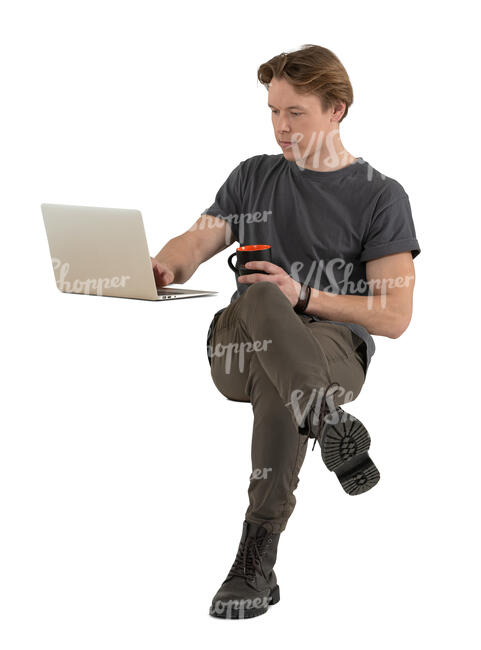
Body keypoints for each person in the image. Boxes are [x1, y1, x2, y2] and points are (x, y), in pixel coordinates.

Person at [151, 44, 421, 620]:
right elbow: (194, 243)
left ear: (337, 110)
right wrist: (165, 266)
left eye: (295, 113)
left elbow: (395, 317)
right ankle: (326, 422)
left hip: (330, 349)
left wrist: (306, 295)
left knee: (285, 378)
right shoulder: (252, 177)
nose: (280, 127)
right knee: (263, 300)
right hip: (238, 345)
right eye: (273, 111)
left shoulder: (380, 196)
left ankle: (254, 558)